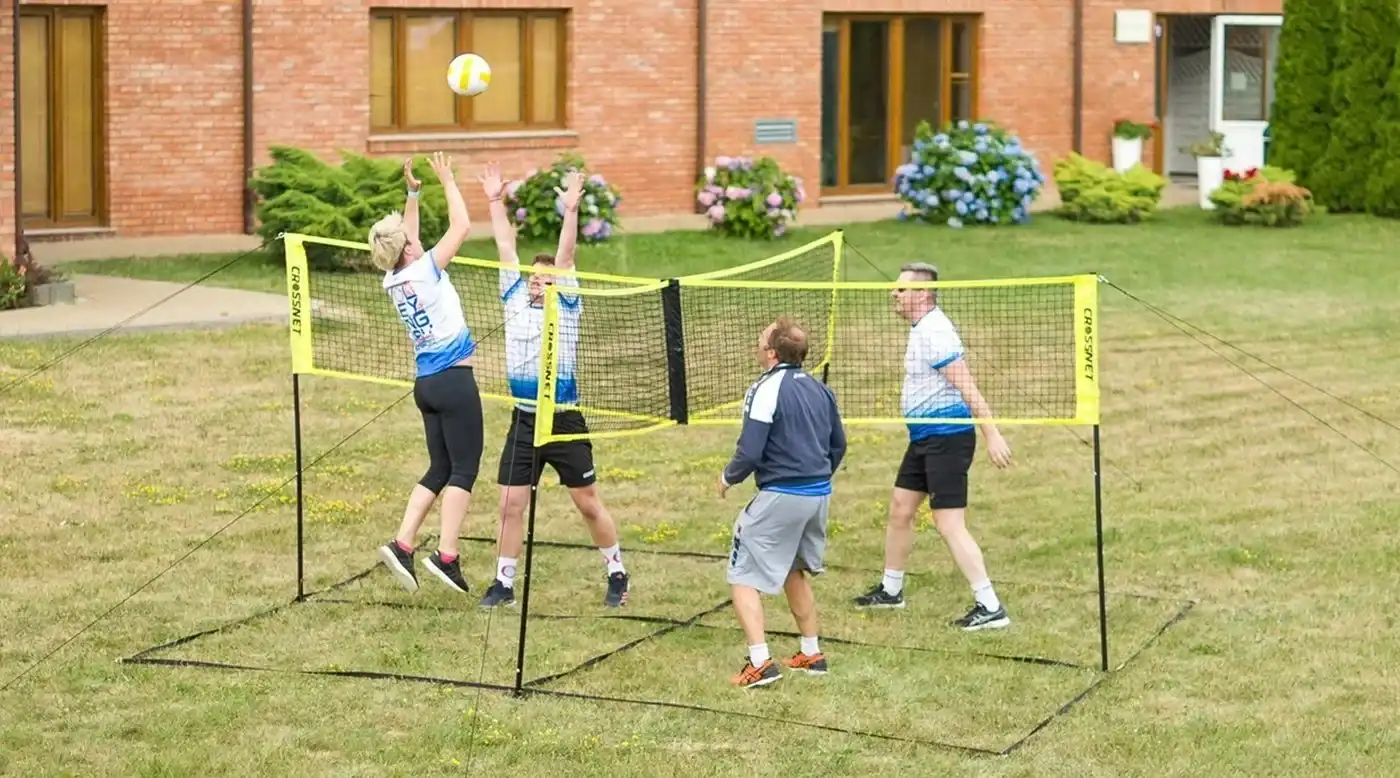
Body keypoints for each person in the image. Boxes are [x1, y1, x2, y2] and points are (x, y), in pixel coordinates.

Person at [475, 161, 630, 609]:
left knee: (587, 503)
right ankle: (503, 584)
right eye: (534, 278)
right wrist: (494, 200)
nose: (539, 283)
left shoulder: (567, 304)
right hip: (525, 419)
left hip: (563, 420)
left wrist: (571, 211)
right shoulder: (513, 299)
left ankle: (617, 572)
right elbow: (505, 245)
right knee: (510, 504)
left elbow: (566, 257)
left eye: (547, 279)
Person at [853, 262, 1013, 631]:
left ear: (923, 294)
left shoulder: (935, 333)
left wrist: (992, 434)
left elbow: (968, 387)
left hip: (947, 438)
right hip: (924, 437)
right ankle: (891, 591)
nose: (893, 294)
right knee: (900, 508)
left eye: (901, 289)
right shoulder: (921, 328)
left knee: (948, 523)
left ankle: (991, 606)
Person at [370, 152, 481, 596]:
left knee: (440, 466)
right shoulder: (427, 270)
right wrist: (448, 181)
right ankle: (446, 556)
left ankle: (402, 544)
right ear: (408, 250)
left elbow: (408, 238)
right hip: (454, 383)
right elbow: (463, 227)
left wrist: (413, 195)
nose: (415, 240)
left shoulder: (393, 279)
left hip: (427, 385)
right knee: (464, 469)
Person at [720, 317, 847, 688]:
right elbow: (838, 445)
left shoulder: (764, 388)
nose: (757, 345)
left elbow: (750, 450)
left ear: (772, 353)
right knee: (792, 568)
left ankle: (760, 664)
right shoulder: (821, 389)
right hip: (818, 493)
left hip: (784, 492)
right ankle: (811, 653)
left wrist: (728, 478)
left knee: (742, 574)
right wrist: (817, 474)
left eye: (761, 340)